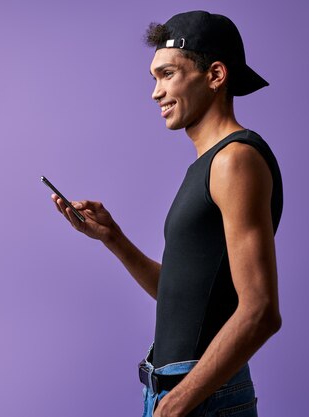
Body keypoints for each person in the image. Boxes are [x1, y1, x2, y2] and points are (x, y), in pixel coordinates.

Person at [50, 10, 283, 417]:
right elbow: (180, 295)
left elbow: (260, 311)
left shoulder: (234, 161)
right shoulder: (209, 165)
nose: (156, 92)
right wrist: (114, 238)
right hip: (177, 389)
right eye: (154, 78)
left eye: (168, 74)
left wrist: (178, 402)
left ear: (215, 75)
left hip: (199, 396)